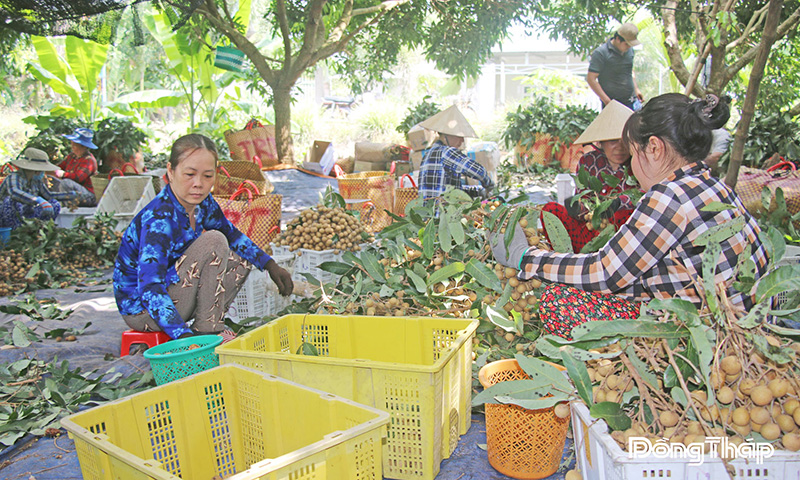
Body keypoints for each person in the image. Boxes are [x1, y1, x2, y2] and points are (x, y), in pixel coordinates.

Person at [490, 94, 769, 339]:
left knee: (559, 302)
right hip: (743, 327)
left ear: (655, 148)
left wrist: (526, 258)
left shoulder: (669, 197)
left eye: (634, 153)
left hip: (703, 336)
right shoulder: (715, 186)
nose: (632, 164)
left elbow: (604, 272)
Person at [113, 134, 293, 340]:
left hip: (176, 294)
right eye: (189, 174)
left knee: (240, 258)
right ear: (170, 172)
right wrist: (182, 336)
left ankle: (205, 326)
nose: (198, 183)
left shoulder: (203, 204)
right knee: (214, 241)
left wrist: (270, 265)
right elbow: (149, 287)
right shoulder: (159, 219)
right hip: (145, 311)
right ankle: (208, 331)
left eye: (207, 176)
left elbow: (232, 234)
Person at [541, 100, 639, 253]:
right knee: (550, 210)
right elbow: (584, 201)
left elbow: (644, 199)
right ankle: (575, 254)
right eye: (613, 141)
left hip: (620, 239)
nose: (620, 147)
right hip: (589, 231)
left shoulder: (638, 164)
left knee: (624, 216)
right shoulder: (588, 162)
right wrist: (577, 207)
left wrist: (617, 204)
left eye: (624, 141)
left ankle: (598, 257)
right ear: (601, 143)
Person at [416, 105, 495, 200]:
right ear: (446, 135)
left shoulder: (428, 154)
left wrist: (478, 192)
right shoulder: (447, 152)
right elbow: (479, 172)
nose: (462, 141)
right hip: (441, 212)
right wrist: (489, 186)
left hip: (428, 212)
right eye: (459, 136)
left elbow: (448, 189)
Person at [0, 147, 77, 229]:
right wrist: (38, 200)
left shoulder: (36, 181)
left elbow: (48, 196)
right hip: (5, 216)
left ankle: (39, 230)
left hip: (26, 213)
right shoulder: (14, 177)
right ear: (35, 170)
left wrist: (69, 196)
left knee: (54, 204)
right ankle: (13, 232)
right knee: (11, 201)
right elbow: (15, 192)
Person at [587, 22, 644, 110]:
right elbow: (591, 79)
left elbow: (629, 70)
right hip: (612, 104)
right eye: (627, 44)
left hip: (631, 102)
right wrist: (607, 101)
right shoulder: (601, 53)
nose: (629, 47)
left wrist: (636, 89)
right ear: (618, 39)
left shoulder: (630, 51)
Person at [51, 128, 99, 207]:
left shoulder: (89, 160)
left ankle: (69, 207)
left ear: (83, 146)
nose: (72, 146)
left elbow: (78, 177)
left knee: (66, 183)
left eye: (75, 144)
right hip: (75, 193)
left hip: (88, 195)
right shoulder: (72, 156)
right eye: (72, 143)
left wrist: (63, 174)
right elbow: (60, 166)